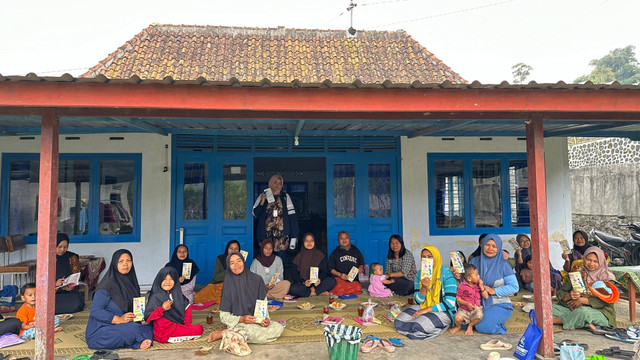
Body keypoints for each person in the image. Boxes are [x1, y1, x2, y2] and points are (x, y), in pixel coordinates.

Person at [208, 252, 283, 344]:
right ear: (229, 267)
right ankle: (229, 333)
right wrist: (242, 319)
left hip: (256, 321)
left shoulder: (257, 279)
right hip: (239, 324)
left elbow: (262, 304)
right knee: (248, 331)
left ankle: (231, 335)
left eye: (239, 261)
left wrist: (265, 319)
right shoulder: (228, 284)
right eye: (232, 263)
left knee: (278, 328)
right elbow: (224, 317)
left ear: (243, 262)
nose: (236, 265)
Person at [85, 249, 153, 350]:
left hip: (124, 325)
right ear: (114, 263)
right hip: (102, 331)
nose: (125, 264)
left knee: (149, 325)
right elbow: (95, 311)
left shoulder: (132, 282)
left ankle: (137, 340)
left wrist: (140, 318)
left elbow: (136, 307)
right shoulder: (106, 285)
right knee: (133, 329)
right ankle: (137, 342)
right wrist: (119, 319)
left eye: (128, 260)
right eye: (121, 261)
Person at [394, 245, 457, 340]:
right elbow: (418, 301)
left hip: (444, 311)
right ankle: (422, 326)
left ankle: (433, 325)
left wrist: (425, 310)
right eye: (423, 257)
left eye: (430, 256)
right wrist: (423, 288)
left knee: (419, 325)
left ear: (436, 257)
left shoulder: (446, 274)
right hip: (425, 305)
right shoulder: (420, 274)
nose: (426, 260)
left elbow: (450, 303)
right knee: (398, 320)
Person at [552, 247, 617, 330]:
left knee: (583, 312)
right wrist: (569, 295)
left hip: (601, 312)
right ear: (583, 258)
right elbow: (561, 292)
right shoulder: (576, 274)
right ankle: (584, 322)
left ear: (601, 262)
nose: (591, 263)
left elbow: (605, 300)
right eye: (588, 259)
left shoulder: (607, 278)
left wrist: (581, 300)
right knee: (550, 308)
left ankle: (554, 321)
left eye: (595, 261)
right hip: (574, 309)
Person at [470, 234, 519, 335]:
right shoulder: (474, 261)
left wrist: (494, 291)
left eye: (494, 246)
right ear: (482, 245)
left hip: (499, 304)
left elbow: (514, 287)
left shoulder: (504, 265)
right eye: (487, 245)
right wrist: (459, 276)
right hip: (477, 303)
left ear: (499, 248)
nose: (490, 248)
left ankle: (499, 327)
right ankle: (489, 318)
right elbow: (467, 280)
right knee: (461, 321)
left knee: (483, 326)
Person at [144, 267, 203, 343]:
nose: (168, 282)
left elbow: (187, 308)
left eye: (171, 279)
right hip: (164, 332)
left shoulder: (177, 295)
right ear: (159, 280)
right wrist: (162, 308)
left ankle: (181, 335)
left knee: (199, 328)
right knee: (199, 330)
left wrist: (186, 326)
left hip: (177, 326)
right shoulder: (155, 296)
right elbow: (148, 317)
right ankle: (174, 337)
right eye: (164, 279)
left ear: (175, 280)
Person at [252, 174, 299, 262]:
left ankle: (280, 276)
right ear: (270, 183)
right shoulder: (263, 196)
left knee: (280, 261)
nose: (277, 185)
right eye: (275, 182)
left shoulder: (285, 197)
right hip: (265, 236)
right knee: (266, 260)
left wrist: (294, 235)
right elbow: (255, 214)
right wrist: (262, 201)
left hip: (281, 236)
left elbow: (292, 216)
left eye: (280, 183)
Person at [288, 233, 336, 298]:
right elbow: (294, 275)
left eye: (311, 240)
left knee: (332, 281)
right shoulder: (298, 257)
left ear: (314, 242)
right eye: (306, 240)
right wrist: (304, 282)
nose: (309, 243)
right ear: (303, 242)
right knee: (293, 288)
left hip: (317, 284)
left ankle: (311, 291)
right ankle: (317, 293)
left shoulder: (320, 255)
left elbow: (325, 272)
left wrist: (320, 279)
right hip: (304, 285)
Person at [194, 240, 240, 304]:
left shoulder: (241, 261)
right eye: (231, 248)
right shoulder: (221, 258)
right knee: (197, 299)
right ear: (227, 249)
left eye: (236, 249)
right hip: (217, 286)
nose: (233, 250)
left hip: (233, 288)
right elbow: (216, 277)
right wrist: (230, 270)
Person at [450, 263, 488, 335]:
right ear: (469, 278)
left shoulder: (478, 285)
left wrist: (482, 286)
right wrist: (466, 303)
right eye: (476, 275)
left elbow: (486, 297)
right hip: (464, 309)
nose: (479, 276)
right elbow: (458, 298)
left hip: (476, 308)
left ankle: (470, 326)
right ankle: (458, 327)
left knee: (480, 315)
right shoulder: (461, 286)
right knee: (457, 317)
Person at [54, 233, 86, 314]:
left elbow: (76, 275)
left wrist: (71, 286)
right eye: (59, 247)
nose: (62, 250)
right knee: (47, 303)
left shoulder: (72, 257)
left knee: (77, 303)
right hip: (52, 293)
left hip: (68, 292)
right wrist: (55, 283)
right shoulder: (47, 257)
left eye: (65, 247)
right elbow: (40, 280)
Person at [328, 230, 365, 295]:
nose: (344, 240)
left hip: (353, 280)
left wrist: (360, 268)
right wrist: (340, 275)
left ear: (349, 239)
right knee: (340, 289)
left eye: (346, 238)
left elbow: (361, 263)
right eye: (341, 238)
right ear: (338, 240)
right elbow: (331, 269)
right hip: (340, 280)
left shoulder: (355, 250)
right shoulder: (335, 253)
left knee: (358, 288)